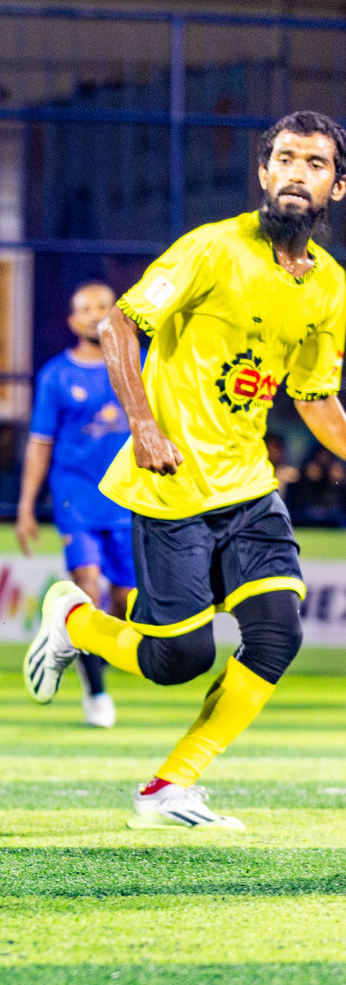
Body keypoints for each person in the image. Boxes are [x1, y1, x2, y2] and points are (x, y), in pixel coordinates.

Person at [25, 111, 346, 830]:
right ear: (263, 175)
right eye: (285, 159)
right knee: (179, 660)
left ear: (338, 185)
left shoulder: (330, 288)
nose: (297, 172)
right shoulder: (212, 249)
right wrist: (142, 422)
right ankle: (73, 618)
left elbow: (317, 399)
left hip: (249, 489)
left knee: (277, 634)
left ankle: (167, 788)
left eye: (315, 163)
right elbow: (119, 326)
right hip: (171, 483)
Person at [16, 282, 131, 729]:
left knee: (122, 603)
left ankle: (79, 646)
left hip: (128, 501)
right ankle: (96, 693)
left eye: (103, 305)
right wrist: (26, 506)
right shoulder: (56, 376)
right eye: (86, 308)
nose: (95, 313)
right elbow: (40, 445)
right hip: (75, 497)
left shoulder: (138, 365)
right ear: (73, 321)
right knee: (89, 586)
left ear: (116, 311)